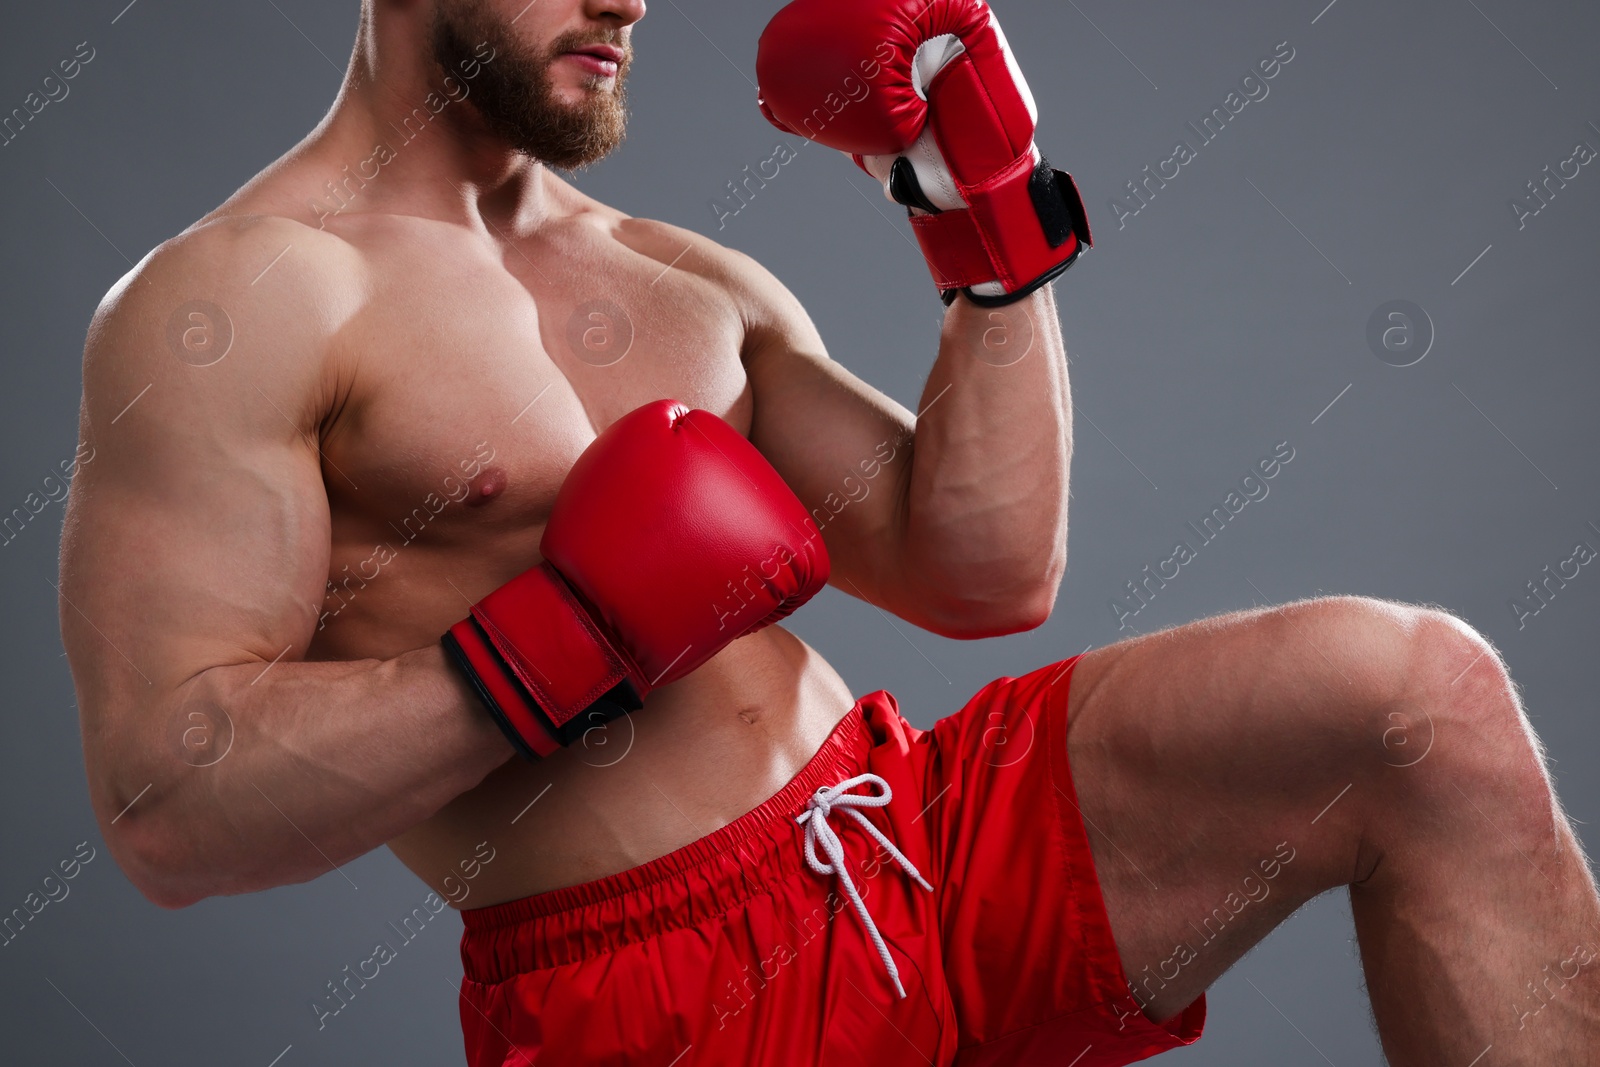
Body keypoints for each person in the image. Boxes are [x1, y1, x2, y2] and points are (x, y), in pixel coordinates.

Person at [59, 0, 1599, 1063]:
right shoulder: (240, 298)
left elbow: (982, 566)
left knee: (1414, 706)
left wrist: (979, 209)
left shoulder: (678, 274)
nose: (628, 1)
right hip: (656, 1007)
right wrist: (559, 644)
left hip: (909, 839)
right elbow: (165, 812)